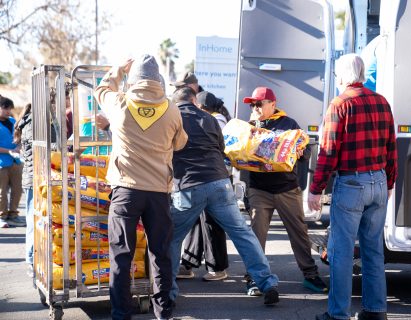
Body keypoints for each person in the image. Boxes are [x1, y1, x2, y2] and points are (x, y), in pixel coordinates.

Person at [94, 54, 188, 320]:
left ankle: (121, 314)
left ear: (133, 80)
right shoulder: (171, 109)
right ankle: (163, 312)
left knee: (121, 255)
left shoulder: (120, 103)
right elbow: (180, 143)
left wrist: (117, 71)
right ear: (157, 80)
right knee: (160, 254)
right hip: (158, 192)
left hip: (126, 190)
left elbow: (102, 89)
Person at [169, 87, 280, 306]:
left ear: (175, 103)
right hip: (219, 182)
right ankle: (267, 283)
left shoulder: (172, 118)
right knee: (242, 233)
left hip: (188, 186)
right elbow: (221, 149)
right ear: (194, 101)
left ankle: (167, 293)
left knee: (172, 238)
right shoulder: (210, 119)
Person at [308, 54, 397, 320]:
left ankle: (338, 314)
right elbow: (391, 147)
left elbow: (328, 151)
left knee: (341, 253)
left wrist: (316, 189)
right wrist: (389, 182)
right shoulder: (382, 102)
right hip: (378, 181)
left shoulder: (339, 104)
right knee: (373, 252)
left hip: (351, 184)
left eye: (336, 76)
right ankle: (375, 311)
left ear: (343, 76)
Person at [241, 86, 327, 296]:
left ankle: (310, 274)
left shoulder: (288, 124)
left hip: (287, 189)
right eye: (253, 105)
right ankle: (254, 278)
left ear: (272, 104)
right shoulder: (249, 125)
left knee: (298, 233)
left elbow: (306, 152)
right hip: (259, 189)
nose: (255, 108)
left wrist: (299, 151)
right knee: (256, 235)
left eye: (259, 104)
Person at [176, 91, 230, 282]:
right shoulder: (211, 118)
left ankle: (217, 267)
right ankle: (189, 263)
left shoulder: (215, 119)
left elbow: (219, 147)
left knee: (210, 223)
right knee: (197, 223)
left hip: (203, 178)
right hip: (209, 177)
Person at [13, 103, 34, 276]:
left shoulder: (28, 122)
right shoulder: (35, 123)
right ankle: (32, 260)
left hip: (32, 178)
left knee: (35, 221)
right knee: (35, 222)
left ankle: (33, 259)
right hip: (35, 179)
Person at [0, 96, 25, 228]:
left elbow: (19, 137)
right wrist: (9, 151)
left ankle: (13, 215)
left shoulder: (12, 121)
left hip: (15, 161)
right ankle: (2, 216)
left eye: (9, 108)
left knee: (18, 189)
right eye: (5, 108)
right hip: (2, 163)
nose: (8, 111)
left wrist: (19, 147)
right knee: (1, 191)